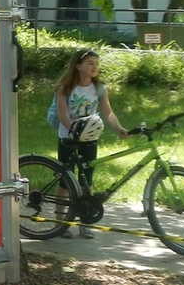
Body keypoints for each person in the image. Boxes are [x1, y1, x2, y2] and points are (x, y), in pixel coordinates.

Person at [53, 48, 129, 238]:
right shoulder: (64, 88)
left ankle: (85, 221)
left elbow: (108, 113)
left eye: (97, 63)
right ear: (78, 66)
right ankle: (60, 222)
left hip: (90, 139)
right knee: (65, 180)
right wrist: (74, 131)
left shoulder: (99, 88)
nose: (95, 67)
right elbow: (62, 115)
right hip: (69, 138)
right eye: (90, 63)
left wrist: (118, 128)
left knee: (86, 179)